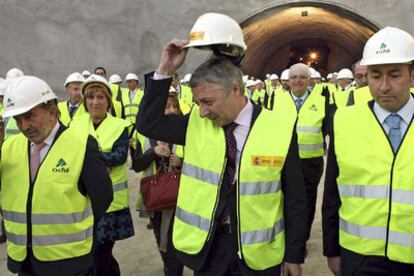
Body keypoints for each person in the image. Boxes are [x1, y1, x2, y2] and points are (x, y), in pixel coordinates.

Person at [136, 12, 307, 276]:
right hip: (208, 250)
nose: (202, 111)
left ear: (235, 90)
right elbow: (148, 124)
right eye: (198, 103)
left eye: (208, 102)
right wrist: (164, 71)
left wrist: (294, 255)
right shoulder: (196, 122)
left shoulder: (279, 128)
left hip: (259, 255)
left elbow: (295, 198)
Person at [323, 26, 414, 276]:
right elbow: (333, 192)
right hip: (361, 255)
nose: (384, 86)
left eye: (394, 75)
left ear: (412, 76)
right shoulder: (345, 121)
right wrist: (332, 250)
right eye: (375, 75)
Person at [0, 75, 113, 276]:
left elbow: (103, 197)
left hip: (69, 262)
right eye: (18, 119)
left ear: (52, 112)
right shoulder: (9, 147)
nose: (23, 126)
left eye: (29, 117)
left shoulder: (82, 144)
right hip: (25, 261)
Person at [71, 74, 135, 276]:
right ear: (85, 101)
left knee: (102, 252)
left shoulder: (119, 126)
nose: (95, 102)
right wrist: (98, 163)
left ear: (108, 100)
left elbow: (118, 156)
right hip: (83, 201)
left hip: (111, 204)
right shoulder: (76, 124)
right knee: (93, 252)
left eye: (100, 97)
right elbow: (69, 153)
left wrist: (88, 161)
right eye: (90, 98)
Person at [274, 63, 330, 248]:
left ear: (310, 80)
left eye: (302, 77)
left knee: (306, 203)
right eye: (294, 77)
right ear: (288, 81)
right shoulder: (277, 100)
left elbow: (330, 131)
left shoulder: (321, 101)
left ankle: (300, 241)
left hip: (310, 163)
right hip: (284, 161)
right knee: (284, 200)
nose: (298, 81)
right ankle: (285, 237)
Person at [132, 90, 185, 276]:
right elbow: (137, 165)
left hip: (181, 198)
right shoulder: (142, 134)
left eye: (174, 107)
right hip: (155, 198)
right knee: (159, 239)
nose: (171, 111)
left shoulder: (187, 133)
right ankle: (168, 266)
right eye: (166, 107)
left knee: (174, 242)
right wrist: (152, 152)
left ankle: (173, 270)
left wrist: (181, 163)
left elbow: (202, 165)